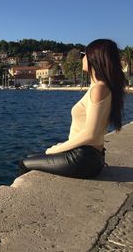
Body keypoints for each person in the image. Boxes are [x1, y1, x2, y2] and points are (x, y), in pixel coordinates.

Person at [18, 39, 127, 179]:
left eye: (85, 55)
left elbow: (90, 134)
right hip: (91, 157)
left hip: (83, 159)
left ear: (94, 58)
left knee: (24, 163)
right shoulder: (101, 87)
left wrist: (56, 149)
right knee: (32, 157)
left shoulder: (99, 89)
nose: (83, 59)